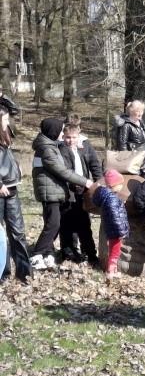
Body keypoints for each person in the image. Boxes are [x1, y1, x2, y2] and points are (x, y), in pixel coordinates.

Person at [30, 119, 93, 271]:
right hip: (49, 192)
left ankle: (47, 254)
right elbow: (62, 170)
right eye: (60, 130)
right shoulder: (46, 149)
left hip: (53, 191)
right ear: (54, 131)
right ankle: (37, 255)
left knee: (54, 224)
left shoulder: (49, 146)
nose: (62, 133)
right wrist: (85, 181)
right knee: (53, 224)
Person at [57, 115, 103, 266]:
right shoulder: (61, 148)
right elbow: (66, 171)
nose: (71, 140)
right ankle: (69, 252)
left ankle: (90, 253)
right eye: (68, 137)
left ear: (79, 134)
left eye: (74, 137)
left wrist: (98, 183)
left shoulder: (85, 145)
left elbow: (94, 164)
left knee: (84, 223)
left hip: (84, 189)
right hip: (68, 189)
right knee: (67, 222)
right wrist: (77, 183)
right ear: (63, 134)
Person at [0, 102, 32, 283]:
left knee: (17, 231)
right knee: (0, 235)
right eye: (4, 119)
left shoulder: (6, 134)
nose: (7, 122)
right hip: (1, 188)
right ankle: (2, 273)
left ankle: (24, 272)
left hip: (12, 187)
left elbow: (13, 109)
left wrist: (3, 96)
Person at [92, 170, 130, 279]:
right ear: (114, 185)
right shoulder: (112, 198)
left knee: (113, 250)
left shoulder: (107, 197)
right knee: (114, 252)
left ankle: (114, 270)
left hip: (111, 229)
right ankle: (111, 271)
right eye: (120, 184)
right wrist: (120, 231)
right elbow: (115, 216)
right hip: (115, 230)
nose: (121, 187)